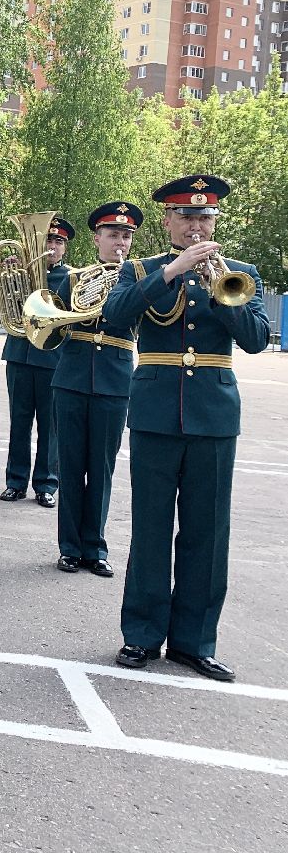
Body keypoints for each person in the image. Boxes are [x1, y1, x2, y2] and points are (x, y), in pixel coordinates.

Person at [102, 175, 268, 682]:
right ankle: (142, 635)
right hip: (155, 413)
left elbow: (258, 339)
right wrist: (172, 272)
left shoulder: (239, 273)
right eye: (187, 217)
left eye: (205, 218)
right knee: (151, 528)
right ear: (169, 222)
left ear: (214, 221)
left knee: (207, 533)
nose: (197, 225)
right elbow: (114, 318)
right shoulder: (141, 270)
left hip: (214, 417)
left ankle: (195, 642)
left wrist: (224, 295)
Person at [51, 203, 143, 578]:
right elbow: (49, 323)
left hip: (114, 380)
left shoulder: (140, 280)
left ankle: (96, 547)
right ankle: (70, 548)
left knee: (102, 469)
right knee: (71, 466)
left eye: (125, 236)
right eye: (112, 235)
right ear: (97, 239)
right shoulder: (74, 279)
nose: (119, 242)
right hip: (72, 377)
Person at [0, 216, 73, 508]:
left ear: (64, 248)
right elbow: (1, 308)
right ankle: (15, 482)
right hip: (19, 355)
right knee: (18, 423)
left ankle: (46, 484)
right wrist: (10, 279)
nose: (52, 247)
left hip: (52, 359)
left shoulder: (69, 278)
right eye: (48, 241)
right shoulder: (22, 273)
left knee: (50, 426)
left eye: (58, 242)